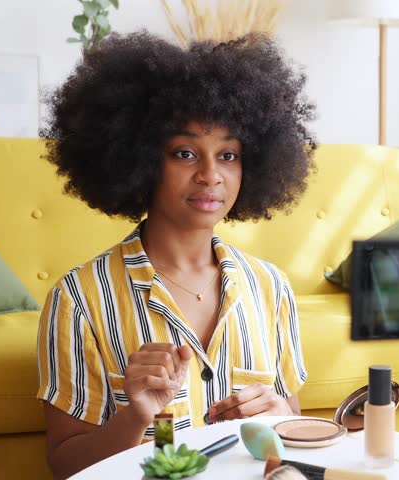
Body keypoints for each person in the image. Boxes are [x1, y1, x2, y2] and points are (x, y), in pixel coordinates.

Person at [36, 31, 315, 478]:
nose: (210, 175)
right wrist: (136, 416)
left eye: (228, 154)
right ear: (141, 159)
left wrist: (280, 415)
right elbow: (66, 465)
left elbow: (287, 444)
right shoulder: (79, 298)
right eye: (185, 153)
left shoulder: (271, 287)